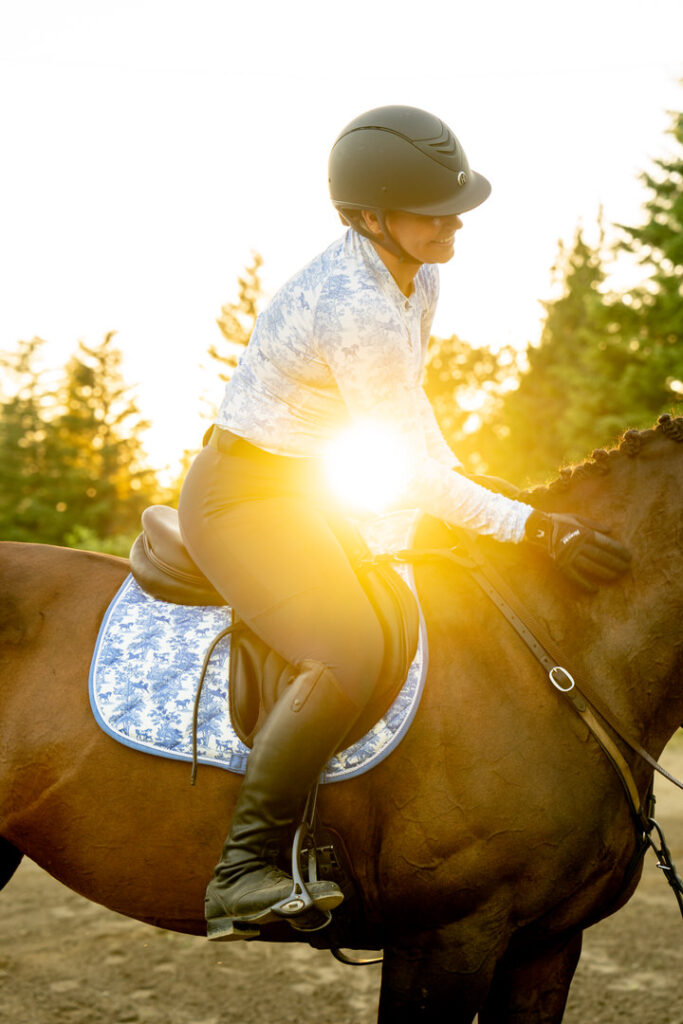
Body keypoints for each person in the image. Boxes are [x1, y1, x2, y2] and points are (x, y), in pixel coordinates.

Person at [177, 104, 631, 941]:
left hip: (307, 489)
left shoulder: (418, 275)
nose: (454, 219)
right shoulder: (350, 300)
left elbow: (411, 415)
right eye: (433, 207)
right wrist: (531, 527)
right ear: (368, 216)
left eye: (454, 202)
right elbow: (408, 469)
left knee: (408, 608)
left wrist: (484, 491)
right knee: (347, 644)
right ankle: (243, 866)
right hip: (240, 496)